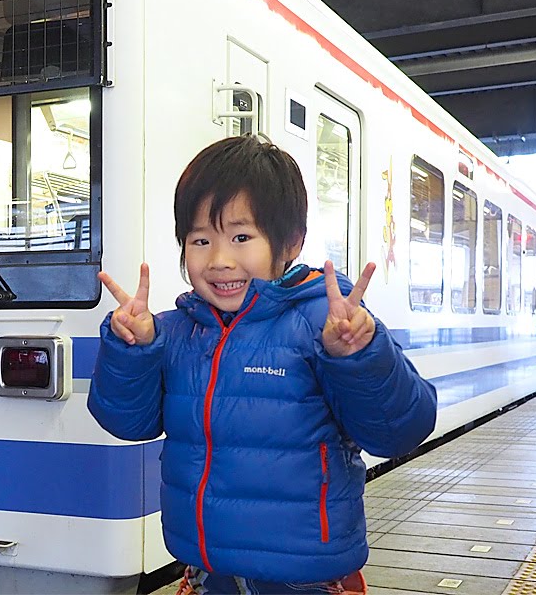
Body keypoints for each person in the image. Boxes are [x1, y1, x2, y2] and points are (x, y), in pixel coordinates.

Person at [88, 136, 437, 595]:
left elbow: (398, 432)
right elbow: (126, 422)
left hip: (305, 579)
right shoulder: (175, 332)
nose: (219, 260)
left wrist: (360, 357)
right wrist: (130, 350)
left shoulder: (327, 327)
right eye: (200, 239)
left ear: (290, 242)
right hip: (207, 574)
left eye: (240, 237)